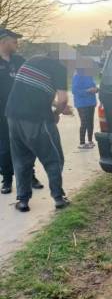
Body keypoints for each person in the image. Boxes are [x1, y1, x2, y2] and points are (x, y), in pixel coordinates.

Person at [5, 54, 72, 212]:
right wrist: (57, 113)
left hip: (13, 116)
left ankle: (23, 201)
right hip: (37, 119)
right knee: (53, 158)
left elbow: (33, 92)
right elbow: (63, 100)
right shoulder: (60, 68)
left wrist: (55, 105)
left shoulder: (32, 60)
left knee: (21, 159)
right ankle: (58, 198)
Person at [0, 28, 44, 195]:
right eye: (14, 40)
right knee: (4, 148)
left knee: (27, 145)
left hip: (22, 112)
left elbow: (33, 83)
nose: (17, 43)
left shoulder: (20, 61)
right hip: (2, 115)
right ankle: (7, 179)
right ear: (3, 41)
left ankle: (29, 176)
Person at [72, 67, 98, 149]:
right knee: (84, 122)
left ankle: (90, 141)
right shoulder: (77, 76)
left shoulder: (89, 75)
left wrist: (96, 89)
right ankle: (82, 143)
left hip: (91, 102)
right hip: (82, 104)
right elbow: (74, 90)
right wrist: (87, 91)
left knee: (90, 122)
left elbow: (94, 86)